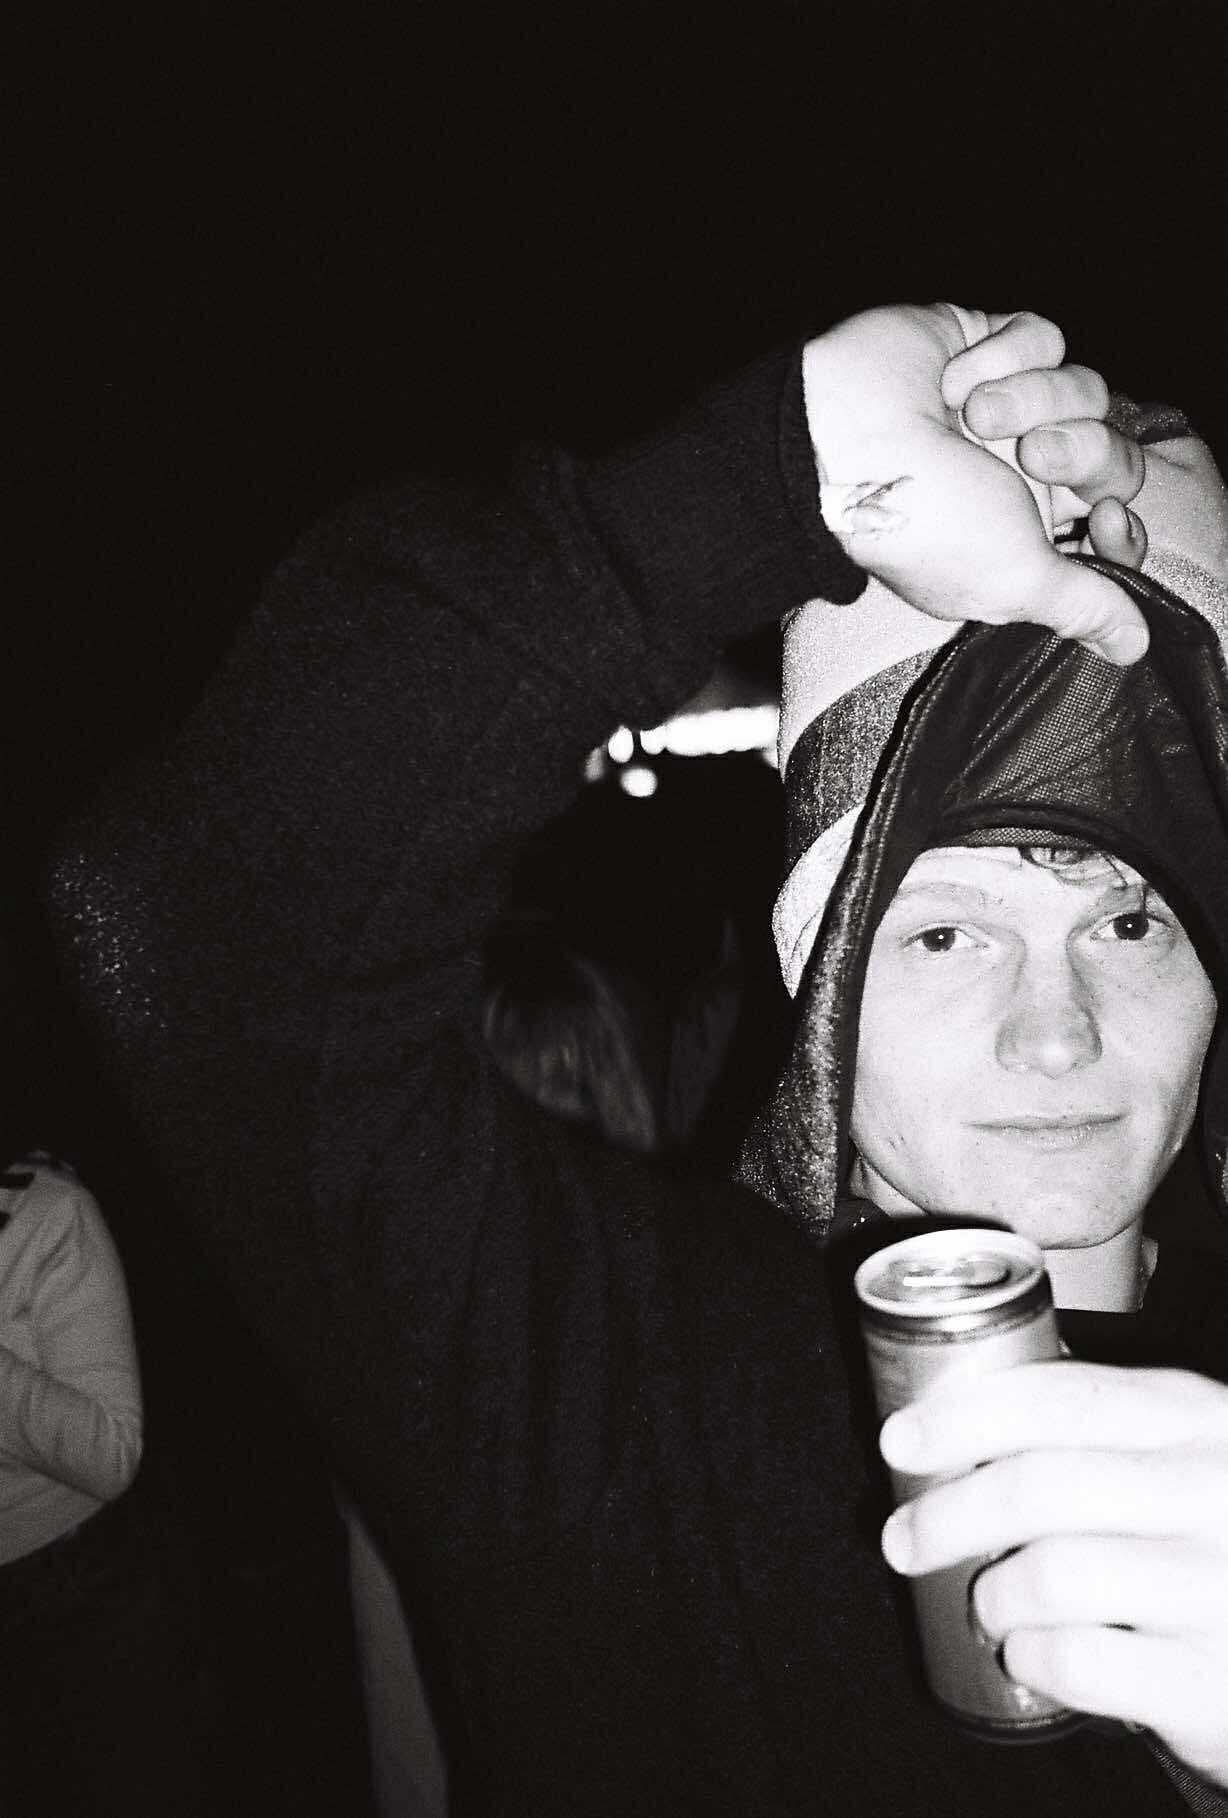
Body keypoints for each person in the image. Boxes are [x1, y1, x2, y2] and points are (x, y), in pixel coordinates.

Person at [42, 303, 1219, 1813]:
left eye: (1129, 918)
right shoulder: (600, 1381)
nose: (1056, 1032)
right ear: (816, 960)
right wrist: (774, 476)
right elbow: (197, 921)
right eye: (945, 933)